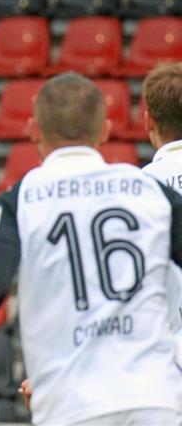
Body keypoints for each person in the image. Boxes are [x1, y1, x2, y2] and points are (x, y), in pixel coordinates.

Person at [0, 73, 182, 425]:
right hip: (157, 400)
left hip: (73, 402)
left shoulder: (17, 201)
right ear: (104, 131)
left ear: (33, 130)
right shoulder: (149, 191)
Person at [18, 62, 182, 409]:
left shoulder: (137, 193)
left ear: (147, 118)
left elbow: (101, 287)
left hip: (157, 369)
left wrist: (59, 374)